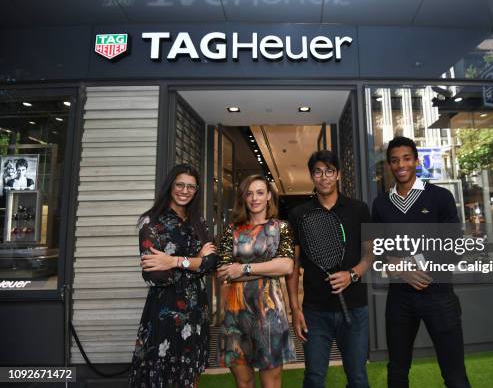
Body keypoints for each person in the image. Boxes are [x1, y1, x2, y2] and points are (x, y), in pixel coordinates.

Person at [371, 136, 470, 388]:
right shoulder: (381, 204)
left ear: (416, 161)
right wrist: (400, 269)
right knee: (397, 371)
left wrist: (411, 262)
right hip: (400, 299)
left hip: (439, 295)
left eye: (406, 158)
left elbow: (455, 246)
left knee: (454, 374)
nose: (401, 164)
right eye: (394, 160)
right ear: (389, 165)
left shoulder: (440, 197)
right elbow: (377, 249)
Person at [287, 150, 373, 388]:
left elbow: (371, 252)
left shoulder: (358, 209)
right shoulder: (298, 214)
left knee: (357, 378)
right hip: (314, 311)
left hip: (355, 308)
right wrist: (295, 309)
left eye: (329, 171)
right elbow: (293, 267)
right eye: (318, 172)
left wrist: (353, 274)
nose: (323, 177)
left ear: (338, 175)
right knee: (314, 379)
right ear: (311, 176)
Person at [129, 163, 218, 388]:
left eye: (191, 186)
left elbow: (213, 262)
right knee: (161, 377)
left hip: (197, 311)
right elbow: (158, 276)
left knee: (191, 376)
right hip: (164, 312)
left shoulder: (199, 223)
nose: (185, 191)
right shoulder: (151, 222)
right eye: (180, 185)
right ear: (170, 185)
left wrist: (175, 261)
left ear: (196, 190)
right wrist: (196, 259)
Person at [216, 174, 296, 388]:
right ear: (243, 198)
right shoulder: (231, 231)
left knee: (271, 383)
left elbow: (287, 266)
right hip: (235, 316)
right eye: (249, 193)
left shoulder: (281, 228)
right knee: (244, 382)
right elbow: (223, 272)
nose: (254, 198)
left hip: (269, 314)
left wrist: (242, 268)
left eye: (260, 192)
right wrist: (269, 268)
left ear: (269, 196)